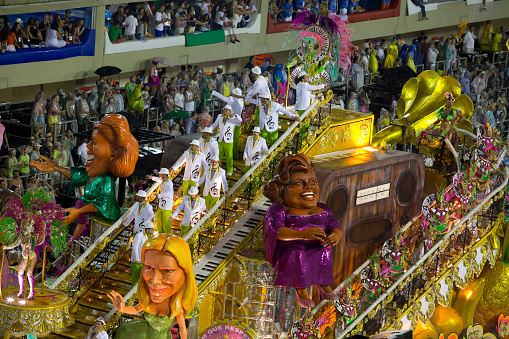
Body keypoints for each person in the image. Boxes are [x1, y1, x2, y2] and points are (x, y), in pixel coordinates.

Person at [31, 114, 139, 244]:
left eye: (94, 143)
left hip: (106, 229)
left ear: (113, 153)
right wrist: (55, 167)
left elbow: (102, 204)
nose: (87, 147)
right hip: (95, 224)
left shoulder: (106, 181)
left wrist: (79, 211)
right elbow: (77, 174)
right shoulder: (94, 174)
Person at [262, 154, 341, 308]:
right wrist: (301, 235)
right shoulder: (279, 208)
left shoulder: (323, 208)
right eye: (299, 183)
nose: (308, 187)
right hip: (292, 246)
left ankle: (324, 284)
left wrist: (335, 235)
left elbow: (334, 225)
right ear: (283, 189)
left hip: (317, 243)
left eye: (313, 182)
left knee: (324, 251)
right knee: (298, 253)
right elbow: (276, 230)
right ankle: (302, 289)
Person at [107, 234, 198, 339]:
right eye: (149, 267)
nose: (154, 280)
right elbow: (136, 309)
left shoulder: (175, 306)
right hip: (144, 335)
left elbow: (182, 329)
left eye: (167, 271)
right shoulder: (149, 299)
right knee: (123, 330)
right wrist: (122, 308)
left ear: (185, 273)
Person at [209, 105, 242, 176]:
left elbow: (240, 120)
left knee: (229, 156)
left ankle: (230, 170)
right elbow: (215, 124)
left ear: (230, 111)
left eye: (227, 110)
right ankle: (217, 168)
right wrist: (209, 130)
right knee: (218, 155)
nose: (225, 111)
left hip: (229, 140)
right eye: (224, 110)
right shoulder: (219, 116)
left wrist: (235, 115)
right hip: (220, 139)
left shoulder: (233, 118)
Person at [147, 168, 174, 234]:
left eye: (161, 174)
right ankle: (160, 234)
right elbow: (159, 180)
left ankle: (167, 235)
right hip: (162, 204)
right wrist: (152, 177)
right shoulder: (164, 180)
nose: (160, 174)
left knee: (166, 222)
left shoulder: (169, 183)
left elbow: (169, 193)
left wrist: (159, 195)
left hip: (167, 206)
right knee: (159, 219)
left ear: (164, 174)